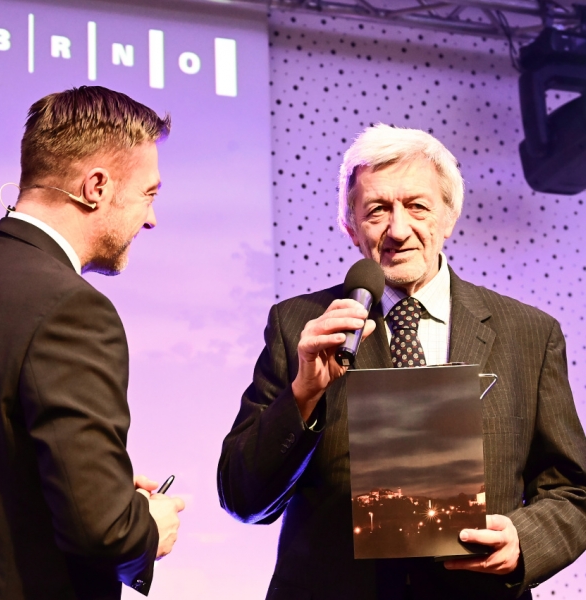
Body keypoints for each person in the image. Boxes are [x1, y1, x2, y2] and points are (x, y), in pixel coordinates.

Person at [218, 124, 586, 600]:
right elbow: (243, 498)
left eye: (417, 206)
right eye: (377, 210)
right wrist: (304, 395)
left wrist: (523, 541)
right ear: (350, 227)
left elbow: (572, 492)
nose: (397, 229)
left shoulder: (529, 333)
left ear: (448, 217)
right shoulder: (298, 326)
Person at [0, 86, 185, 599]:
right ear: (96, 187)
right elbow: (101, 530)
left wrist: (98, 486)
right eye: (149, 194)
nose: (151, 219)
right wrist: (146, 525)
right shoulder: (73, 310)